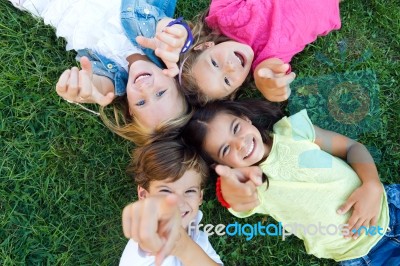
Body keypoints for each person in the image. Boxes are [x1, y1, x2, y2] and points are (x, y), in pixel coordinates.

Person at [181, 99, 400, 264]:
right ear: (219, 165)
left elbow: (352, 148)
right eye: (226, 149)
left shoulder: (292, 130)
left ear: (245, 118)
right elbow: (233, 199)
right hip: (361, 255)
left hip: (389, 207)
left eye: (236, 128)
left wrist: (372, 184)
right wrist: (228, 187)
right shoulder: (251, 188)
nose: (240, 143)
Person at [9, 0, 191, 146]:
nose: (146, 89)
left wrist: (83, 92)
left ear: (130, 108)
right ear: (175, 81)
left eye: (141, 102)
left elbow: (97, 88)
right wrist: (177, 34)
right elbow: (168, 26)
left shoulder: (113, 81)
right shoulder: (157, 41)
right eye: (160, 93)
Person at [172, 0, 341, 105]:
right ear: (235, 90)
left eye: (214, 63)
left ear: (205, 46)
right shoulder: (264, 63)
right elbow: (271, 72)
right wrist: (265, 83)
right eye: (227, 80)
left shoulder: (223, 14)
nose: (230, 67)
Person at [120, 140, 223, 265]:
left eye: (190, 191)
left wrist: (186, 248)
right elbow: (147, 242)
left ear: (200, 197)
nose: (179, 203)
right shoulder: (147, 236)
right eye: (166, 191)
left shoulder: (199, 238)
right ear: (143, 195)